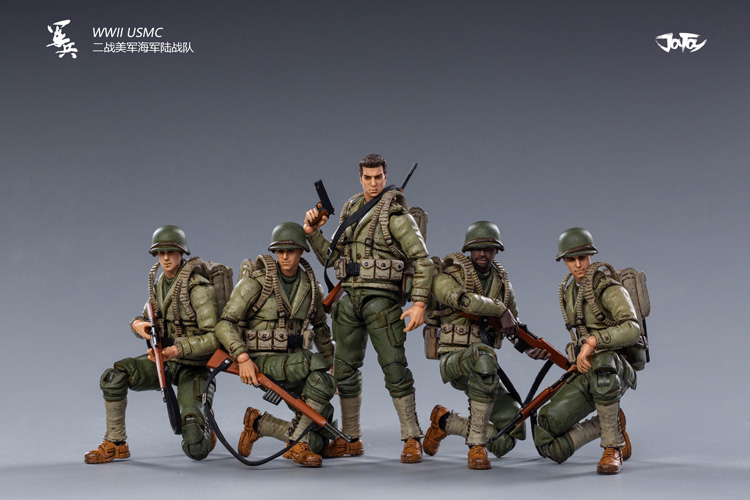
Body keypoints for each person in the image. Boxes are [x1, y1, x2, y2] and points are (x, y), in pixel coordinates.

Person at [304, 154, 434, 463]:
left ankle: (412, 437)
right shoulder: (351, 209)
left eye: (378, 177)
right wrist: (312, 233)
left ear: (385, 176)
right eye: (368, 177)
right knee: (344, 370)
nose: (373, 183)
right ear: (360, 178)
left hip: (381, 301)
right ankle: (351, 438)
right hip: (350, 300)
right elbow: (332, 259)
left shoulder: (396, 215)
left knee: (395, 368)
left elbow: (422, 260)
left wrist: (419, 303)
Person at [85, 225, 220, 463]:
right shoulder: (160, 285)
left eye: (171, 252)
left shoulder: (198, 289)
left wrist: (176, 350)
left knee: (196, 448)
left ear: (182, 253)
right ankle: (116, 442)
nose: (165, 258)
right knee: (114, 377)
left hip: (193, 367)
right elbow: (145, 316)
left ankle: (204, 419)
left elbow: (214, 337)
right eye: (161, 253)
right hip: (163, 361)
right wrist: (138, 325)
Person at [423, 221, 544, 469]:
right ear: (468, 250)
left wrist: (529, 348)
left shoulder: (502, 285)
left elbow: (512, 325)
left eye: (488, 248)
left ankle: (445, 422)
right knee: (484, 356)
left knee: (510, 432)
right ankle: (476, 445)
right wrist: (500, 310)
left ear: (496, 250)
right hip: (453, 359)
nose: (482, 253)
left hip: (485, 367)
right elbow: (465, 301)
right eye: (477, 248)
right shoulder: (449, 276)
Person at [214, 222, 336, 467]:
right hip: (262, 360)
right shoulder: (257, 283)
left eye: (290, 250)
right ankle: (297, 446)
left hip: (295, 362)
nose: (285, 256)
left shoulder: (311, 287)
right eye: (280, 250)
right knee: (318, 372)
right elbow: (224, 324)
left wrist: (331, 363)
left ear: (301, 251)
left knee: (322, 434)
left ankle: (260, 424)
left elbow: (321, 328)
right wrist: (242, 357)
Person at [533, 227, 639, 474]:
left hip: (615, 367)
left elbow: (632, 328)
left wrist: (593, 342)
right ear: (564, 261)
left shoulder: (608, 288)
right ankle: (609, 422)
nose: (578, 265)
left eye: (583, 257)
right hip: (586, 368)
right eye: (571, 259)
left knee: (603, 366)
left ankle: (613, 447)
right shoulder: (570, 291)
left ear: (591, 256)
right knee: (546, 435)